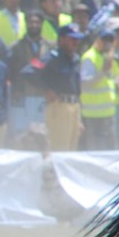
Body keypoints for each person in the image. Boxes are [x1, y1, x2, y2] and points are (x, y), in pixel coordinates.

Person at [41, 22, 85, 151]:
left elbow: (77, 89)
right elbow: (29, 72)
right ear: (61, 40)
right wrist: (47, 89)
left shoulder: (76, 59)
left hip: (74, 107)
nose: (75, 42)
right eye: (72, 39)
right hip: (59, 105)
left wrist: (79, 119)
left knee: (72, 149)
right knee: (59, 148)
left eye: (77, 39)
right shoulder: (53, 57)